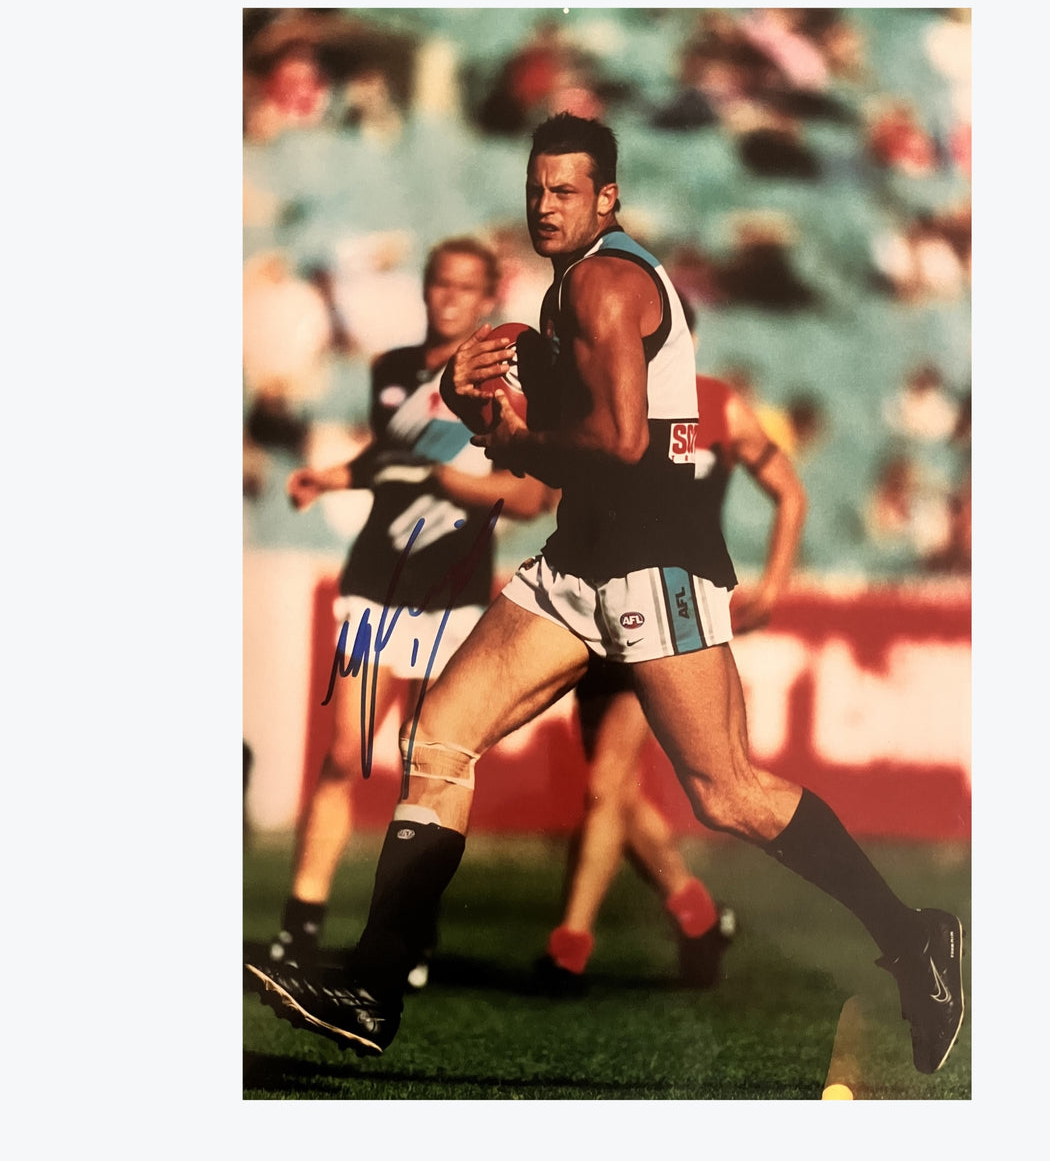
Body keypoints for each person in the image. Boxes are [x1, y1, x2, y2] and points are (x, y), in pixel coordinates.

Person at [247, 113, 965, 1077]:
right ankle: (374, 986)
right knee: (440, 734)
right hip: (582, 558)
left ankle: (912, 935)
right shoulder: (571, 288)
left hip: (651, 566)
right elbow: (577, 436)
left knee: (727, 793)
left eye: (566, 190)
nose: (545, 205)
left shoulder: (605, 285)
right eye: (535, 189)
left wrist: (510, 439)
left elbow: (621, 445)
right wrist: (470, 404)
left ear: (608, 197)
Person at [263, 237, 550, 988]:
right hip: (375, 582)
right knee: (344, 753)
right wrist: (329, 478)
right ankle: (301, 923)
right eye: (439, 283)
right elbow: (386, 457)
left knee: (426, 767)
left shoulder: (507, 387)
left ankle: (407, 929)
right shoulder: (391, 370)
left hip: (453, 593)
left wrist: (450, 485)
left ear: (488, 297)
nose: (449, 297)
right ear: (424, 289)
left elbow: (531, 497)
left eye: (465, 287)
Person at [535, 299, 809, 994]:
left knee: (606, 784)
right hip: (594, 610)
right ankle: (697, 915)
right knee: (618, 796)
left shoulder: (719, 407)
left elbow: (788, 492)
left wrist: (774, 584)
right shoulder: (600, 411)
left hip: (666, 615)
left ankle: (569, 946)